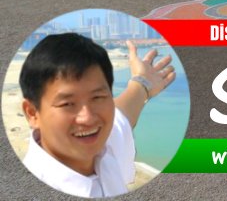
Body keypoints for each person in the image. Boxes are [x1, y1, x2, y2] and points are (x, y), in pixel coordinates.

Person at [19, 33, 176, 198]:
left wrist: (142, 82)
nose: (87, 118)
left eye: (97, 97)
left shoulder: (103, 147)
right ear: (32, 113)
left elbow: (122, 116)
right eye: (67, 104)